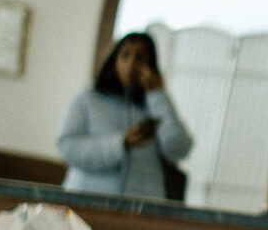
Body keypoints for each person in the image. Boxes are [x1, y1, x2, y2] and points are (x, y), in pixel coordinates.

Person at [57, 32, 194, 203]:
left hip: (141, 207)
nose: (131, 64)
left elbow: (179, 149)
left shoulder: (155, 103)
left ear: (150, 65)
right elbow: (68, 148)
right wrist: (120, 143)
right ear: (114, 59)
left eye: (140, 57)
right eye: (125, 55)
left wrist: (157, 96)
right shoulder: (87, 98)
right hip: (87, 201)